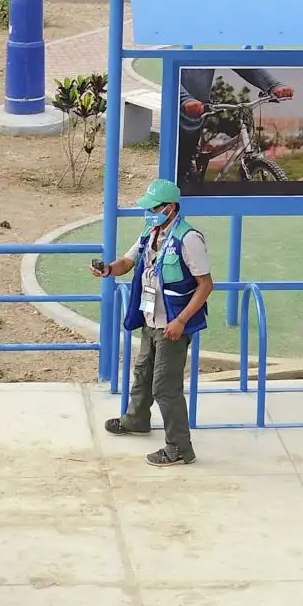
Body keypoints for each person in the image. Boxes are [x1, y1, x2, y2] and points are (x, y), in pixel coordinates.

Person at [92, 180, 214, 467]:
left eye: (153, 208)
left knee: (165, 387)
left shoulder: (189, 239)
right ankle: (136, 419)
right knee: (142, 371)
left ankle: (180, 448)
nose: (148, 213)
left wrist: (181, 320)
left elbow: (206, 285)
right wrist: (108, 270)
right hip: (151, 318)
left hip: (173, 325)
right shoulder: (151, 232)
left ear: (170, 208)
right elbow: (127, 261)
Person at [177, 67, 293, 187]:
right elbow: (164, 73)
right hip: (174, 116)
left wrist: (272, 85)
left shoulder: (212, 49)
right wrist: (183, 98)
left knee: (189, 166)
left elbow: (242, 64)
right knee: (178, 172)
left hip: (196, 113)